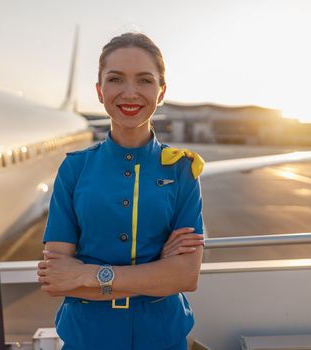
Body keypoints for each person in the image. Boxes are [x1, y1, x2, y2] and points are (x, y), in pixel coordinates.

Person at [38, 32, 205, 350]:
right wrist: (156, 275)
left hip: (162, 339)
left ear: (161, 92)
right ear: (100, 92)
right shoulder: (74, 169)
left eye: (144, 80)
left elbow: (185, 276)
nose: (130, 93)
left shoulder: (182, 170)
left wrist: (87, 274)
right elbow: (57, 277)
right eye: (116, 79)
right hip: (86, 339)